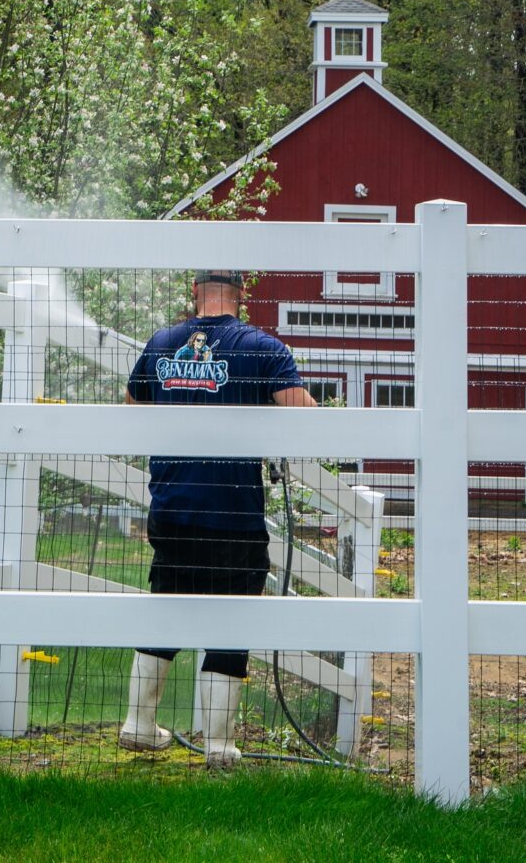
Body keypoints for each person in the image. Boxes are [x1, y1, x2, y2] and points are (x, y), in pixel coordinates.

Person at [118, 269, 317, 768]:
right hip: (231, 512)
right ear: (240, 297)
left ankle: (138, 725)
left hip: (172, 509)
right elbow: (306, 415)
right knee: (231, 621)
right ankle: (220, 748)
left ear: (195, 294)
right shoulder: (261, 347)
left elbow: (130, 410)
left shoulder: (162, 343)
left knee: (166, 607)